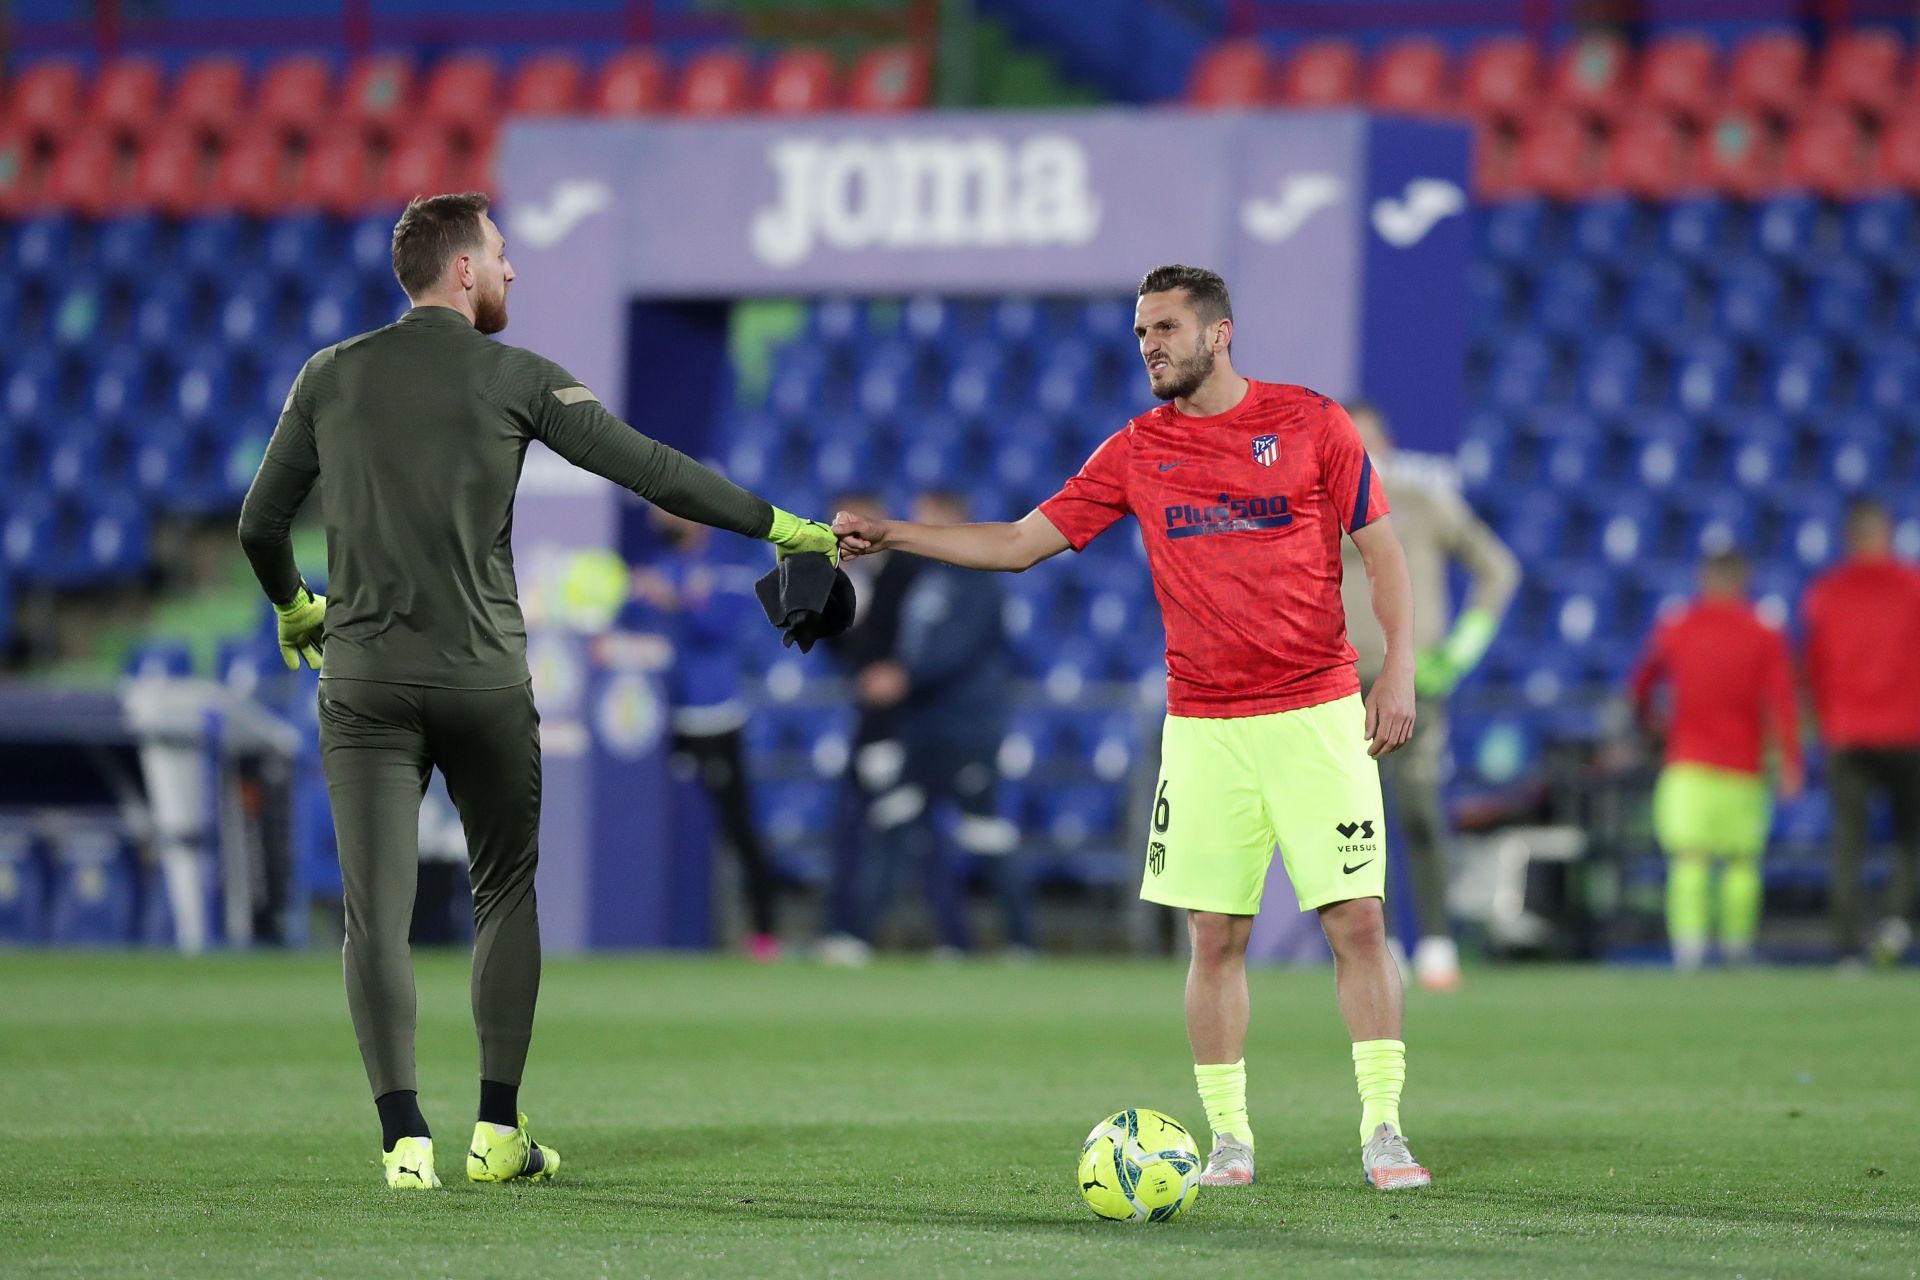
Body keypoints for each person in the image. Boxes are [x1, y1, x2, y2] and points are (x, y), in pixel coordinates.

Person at [236, 192, 838, 1190]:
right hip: (483, 680)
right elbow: (654, 471)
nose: (513, 272)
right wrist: (783, 525)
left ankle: (403, 1141)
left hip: (365, 682)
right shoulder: (519, 377)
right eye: (503, 256)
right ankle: (497, 1131)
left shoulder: (330, 376)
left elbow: (261, 523)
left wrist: (296, 605)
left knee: (373, 915)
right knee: (504, 891)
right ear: (461, 270)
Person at [835, 264, 1430, 1191]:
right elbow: (1020, 544)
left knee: (1357, 921)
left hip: (1318, 714)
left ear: (1218, 333)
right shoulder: (1137, 449)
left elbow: (1380, 549)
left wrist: (1399, 669)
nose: (1148, 346)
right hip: (1203, 730)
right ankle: (1230, 1141)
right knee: (1213, 937)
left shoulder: (1311, 423)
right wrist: (894, 534)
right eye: (1140, 332)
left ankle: (1384, 1129)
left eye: (1164, 328)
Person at [1339, 402, 1518, 992]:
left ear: (1387, 446)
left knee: (1417, 811)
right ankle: (1379, 949)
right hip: (1339, 686)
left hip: (1411, 684)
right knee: (1359, 822)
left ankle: (1438, 946)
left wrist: (1460, 651)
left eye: (1369, 442)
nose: (1362, 455)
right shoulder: (1317, 510)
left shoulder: (1419, 503)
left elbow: (1497, 568)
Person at [859, 490, 1034, 957]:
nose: (916, 525)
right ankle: (865, 938)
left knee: (984, 833)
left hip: (967, 726)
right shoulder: (928, 579)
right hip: (925, 724)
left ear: (950, 520)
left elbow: (957, 648)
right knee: (899, 823)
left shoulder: (979, 580)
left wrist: (903, 677)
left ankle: (1022, 942)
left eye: (925, 517)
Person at [1627, 549, 1801, 970]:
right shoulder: (1763, 631)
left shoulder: (1679, 625)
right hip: (1744, 767)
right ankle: (1736, 948)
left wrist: (1651, 724)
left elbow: (1641, 684)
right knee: (1742, 863)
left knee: (1689, 858)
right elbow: (1782, 700)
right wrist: (1791, 760)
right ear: (1743, 580)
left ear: (1704, 579)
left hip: (1689, 764)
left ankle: (1689, 950)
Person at [631, 510, 782, 961]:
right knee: (656, 829)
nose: (659, 517)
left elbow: (718, 626)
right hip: (661, 719)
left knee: (739, 827)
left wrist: (672, 600)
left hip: (715, 718)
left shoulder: (728, 568)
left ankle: (764, 932)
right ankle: (659, 929)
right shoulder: (659, 566)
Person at [1801, 498, 1920, 966]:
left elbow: (1812, 664)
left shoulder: (1827, 592)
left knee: (1848, 841)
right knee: (1912, 834)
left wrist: (1817, 721)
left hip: (1847, 731)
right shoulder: (1912, 586)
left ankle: (1845, 946)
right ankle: (1894, 921)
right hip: (1907, 730)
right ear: (1885, 534)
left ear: (1849, 539)